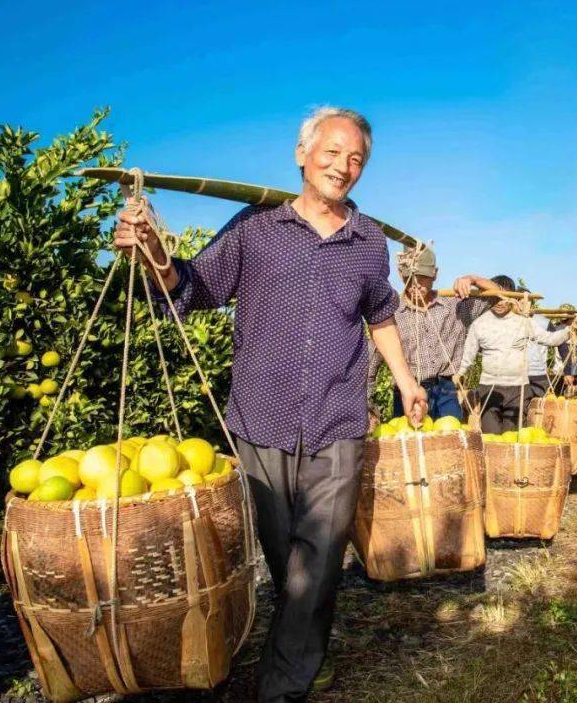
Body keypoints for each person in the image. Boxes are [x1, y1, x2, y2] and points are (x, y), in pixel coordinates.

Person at [114, 106, 427, 702]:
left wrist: (407, 382)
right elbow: (194, 286)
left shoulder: (367, 243)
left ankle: (282, 685)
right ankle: (305, 649)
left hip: (337, 417)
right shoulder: (255, 227)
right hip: (261, 415)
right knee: (284, 557)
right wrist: (151, 250)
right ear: (301, 155)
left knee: (321, 556)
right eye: (332, 153)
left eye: (356, 158)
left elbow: (380, 314)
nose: (344, 167)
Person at [367, 243, 495, 420]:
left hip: (445, 391)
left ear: (435, 273)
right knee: (410, 444)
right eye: (408, 278)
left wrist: (473, 279)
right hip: (407, 391)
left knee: (449, 441)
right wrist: (368, 406)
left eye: (422, 277)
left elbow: (499, 296)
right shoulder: (391, 314)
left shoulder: (454, 308)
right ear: (400, 274)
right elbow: (371, 362)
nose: (415, 284)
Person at [457, 276, 573, 434]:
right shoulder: (480, 324)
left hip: (518, 388)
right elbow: (468, 356)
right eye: (494, 297)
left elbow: (551, 339)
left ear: (513, 298)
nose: (499, 302)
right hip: (489, 388)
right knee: (491, 435)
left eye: (504, 298)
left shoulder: (523, 322)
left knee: (512, 436)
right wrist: (459, 374)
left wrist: (569, 331)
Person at [522, 287, 552, 399]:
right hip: (515, 374)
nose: (525, 304)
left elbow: (559, 342)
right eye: (521, 300)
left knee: (539, 408)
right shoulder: (508, 320)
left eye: (529, 301)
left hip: (538, 373)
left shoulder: (543, 322)